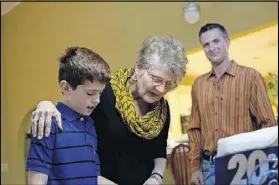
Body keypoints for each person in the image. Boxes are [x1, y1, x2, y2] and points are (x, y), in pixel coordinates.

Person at [30, 36, 188, 185]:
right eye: (156, 79)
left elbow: (159, 152)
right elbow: (70, 106)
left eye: (169, 84)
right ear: (139, 66)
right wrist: (45, 104)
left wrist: (156, 176)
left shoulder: (162, 109)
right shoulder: (104, 92)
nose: (161, 89)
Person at [187, 23, 277, 185]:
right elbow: (194, 129)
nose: (211, 48)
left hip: (245, 165)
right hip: (209, 168)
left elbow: (268, 125)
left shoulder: (251, 77)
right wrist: (195, 168)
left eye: (216, 41)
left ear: (227, 42)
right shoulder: (198, 85)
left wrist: (263, 166)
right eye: (206, 44)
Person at [26, 46, 112, 185]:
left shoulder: (90, 125)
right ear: (66, 88)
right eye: (90, 93)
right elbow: (36, 181)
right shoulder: (49, 123)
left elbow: (92, 178)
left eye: (100, 93)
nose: (97, 100)